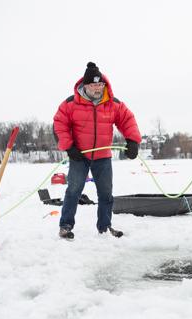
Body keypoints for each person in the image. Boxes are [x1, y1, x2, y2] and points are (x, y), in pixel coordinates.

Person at [53, 62, 142, 240]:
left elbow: (127, 120)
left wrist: (133, 141)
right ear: (85, 86)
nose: (97, 88)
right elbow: (59, 125)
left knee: (106, 194)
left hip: (103, 157)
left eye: (100, 85)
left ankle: (105, 227)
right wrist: (69, 147)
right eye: (93, 85)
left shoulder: (112, 103)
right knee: (73, 191)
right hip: (79, 156)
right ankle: (65, 226)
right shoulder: (71, 104)